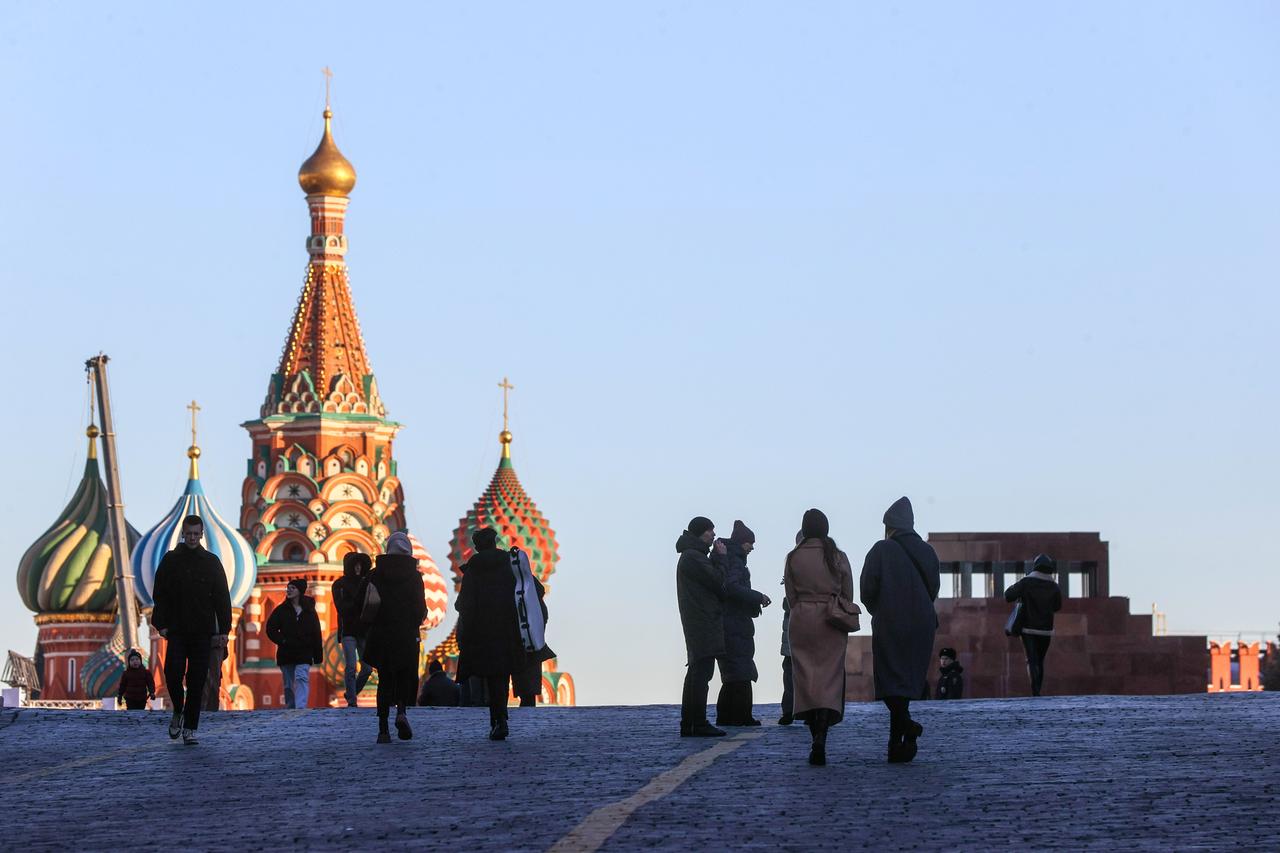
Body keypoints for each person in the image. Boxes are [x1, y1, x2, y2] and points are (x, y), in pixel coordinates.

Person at [859, 496, 940, 764]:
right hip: (923, 624)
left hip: (891, 622)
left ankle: (906, 725)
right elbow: (933, 589)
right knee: (906, 682)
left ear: (889, 525)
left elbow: (867, 590)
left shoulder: (881, 549)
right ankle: (895, 746)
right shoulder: (927, 551)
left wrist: (880, 609)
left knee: (889, 681)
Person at [455, 527, 552, 740]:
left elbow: (465, 605)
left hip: (484, 633)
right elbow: (536, 589)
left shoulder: (474, 569)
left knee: (494, 678)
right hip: (511, 631)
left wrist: (467, 633)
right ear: (495, 542)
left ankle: (498, 720)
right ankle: (502, 719)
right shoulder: (511, 562)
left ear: (477, 547)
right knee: (506, 673)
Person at [150, 514, 232, 745]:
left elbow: (222, 598)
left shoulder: (211, 562)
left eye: (196, 534)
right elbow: (160, 593)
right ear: (183, 534)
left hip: (203, 631)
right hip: (177, 630)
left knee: (197, 680)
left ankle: (190, 728)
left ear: (202, 534)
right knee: (172, 674)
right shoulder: (171, 560)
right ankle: (178, 709)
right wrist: (161, 623)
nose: (193, 537)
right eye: (189, 534)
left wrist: (224, 630)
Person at [785, 508, 855, 766]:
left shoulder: (793, 556)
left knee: (805, 677)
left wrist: (803, 607)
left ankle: (813, 731)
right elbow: (848, 592)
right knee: (829, 678)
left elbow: (790, 595)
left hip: (802, 618)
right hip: (831, 618)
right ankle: (822, 735)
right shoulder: (837, 556)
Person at [364, 531, 428, 743]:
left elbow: (365, 602)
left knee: (384, 680)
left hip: (382, 634)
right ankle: (401, 712)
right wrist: (415, 621)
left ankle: (383, 729)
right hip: (405, 635)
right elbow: (420, 607)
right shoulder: (414, 576)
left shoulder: (375, 574)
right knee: (403, 676)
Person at [712, 521, 771, 727]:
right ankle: (742, 715)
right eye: (750, 542)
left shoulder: (727, 558)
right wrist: (757, 597)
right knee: (742, 671)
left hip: (728, 621)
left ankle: (726, 716)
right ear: (741, 542)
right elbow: (732, 587)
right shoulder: (735, 561)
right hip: (735, 622)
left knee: (732, 673)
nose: (752, 547)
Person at [676, 516, 727, 737]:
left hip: (699, 619)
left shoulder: (692, 556)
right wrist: (721, 558)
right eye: (709, 531)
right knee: (701, 673)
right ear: (699, 533)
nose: (713, 535)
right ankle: (697, 722)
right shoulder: (693, 557)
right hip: (702, 620)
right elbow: (718, 581)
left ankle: (690, 723)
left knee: (697, 671)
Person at [1004, 554, 1062, 697]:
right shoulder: (1054, 586)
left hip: (1028, 629)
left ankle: (1035, 691)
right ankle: (1038, 691)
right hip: (1046, 631)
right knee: (1040, 661)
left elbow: (1008, 595)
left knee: (1031, 660)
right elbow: (1057, 606)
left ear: (1035, 567)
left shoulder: (1026, 582)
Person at [265, 579, 324, 709]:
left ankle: (300, 707)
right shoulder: (281, 610)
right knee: (288, 683)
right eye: (288, 587)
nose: (289, 590)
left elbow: (316, 633)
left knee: (302, 677)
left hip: (304, 652)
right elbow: (270, 629)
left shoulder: (309, 611)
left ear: (300, 591)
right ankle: (291, 706)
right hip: (286, 652)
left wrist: (318, 655)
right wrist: (283, 641)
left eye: (293, 588)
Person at [332, 552, 374, 707]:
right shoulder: (340, 585)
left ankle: (352, 692)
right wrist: (358, 601)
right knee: (351, 666)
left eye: (360, 565)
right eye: (355, 565)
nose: (358, 568)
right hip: (348, 631)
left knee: (367, 668)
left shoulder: (366, 583)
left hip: (363, 631)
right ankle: (352, 701)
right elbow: (342, 608)